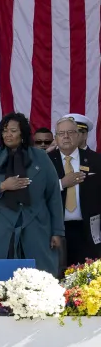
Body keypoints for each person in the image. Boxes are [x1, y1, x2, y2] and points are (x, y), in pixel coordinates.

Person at [0, 112, 66, 274]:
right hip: (1, 227)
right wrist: (2, 186)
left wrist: (57, 232)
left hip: (36, 226)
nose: (8, 134)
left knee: (39, 279)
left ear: (22, 132)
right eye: (5, 130)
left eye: (13, 130)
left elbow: (53, 196)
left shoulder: (41, 157)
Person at [50, 114, 101, 269]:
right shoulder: (45, 161)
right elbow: (37, 193)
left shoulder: (96, 160)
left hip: (87, 230)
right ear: (56, 137)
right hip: (56, 230)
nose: (66, 137)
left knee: (87, 279)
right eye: (61, 133)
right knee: (56, 276)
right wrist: (61, 184)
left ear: (79, 135)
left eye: (71, 133)